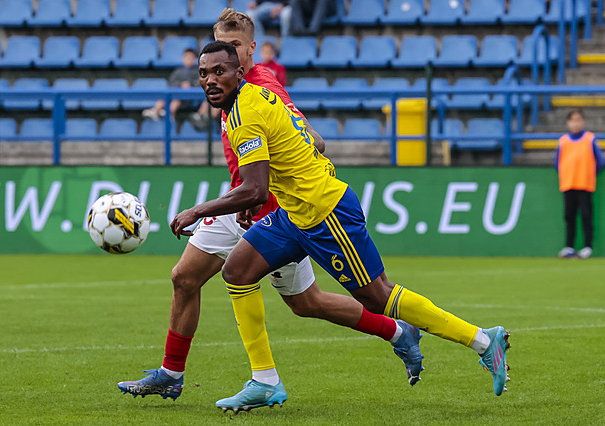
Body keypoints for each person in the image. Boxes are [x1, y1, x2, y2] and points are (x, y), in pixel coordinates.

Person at [171, 41, 512, 406]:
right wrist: (253, 194)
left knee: (378, 296)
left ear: (240, 72)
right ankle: (265, 380)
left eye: (219, 71)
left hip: (324, 212)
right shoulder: (250, 99)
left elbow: (255, 189)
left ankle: (481, 339)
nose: (210, 80)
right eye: (204, 73)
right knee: (238, 271)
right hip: (294, 212)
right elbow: (286, 157)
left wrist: (197, 210)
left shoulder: (245, 114)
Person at [117, 9, 422, 411]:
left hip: (272, 210)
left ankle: (398, 332)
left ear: (252, 49)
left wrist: (265, 191)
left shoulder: (264, 86)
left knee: (306, 303)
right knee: (184, 277)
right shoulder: (226, 85)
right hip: (239, 202)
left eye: (237, 47)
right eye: (222, 48)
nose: (228, 56)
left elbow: (315, 140)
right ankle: (171, 374)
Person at [555, 107, 605, 259]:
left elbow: (601, 161)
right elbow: (557, 163)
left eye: (578, 120)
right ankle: (569, 246)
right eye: (572, 120)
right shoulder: (563, 141)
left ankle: (587, 247)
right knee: (569, 216)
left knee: (586, 215)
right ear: (568, 123)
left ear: (582, 122)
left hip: (585, 184)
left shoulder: (590, 139)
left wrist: (590, 174)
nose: (575, 123)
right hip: (568, 184)